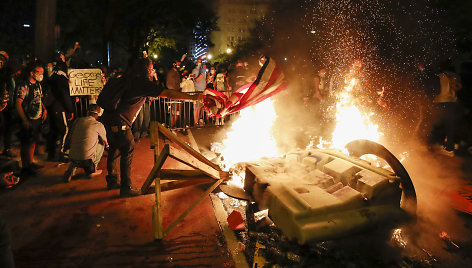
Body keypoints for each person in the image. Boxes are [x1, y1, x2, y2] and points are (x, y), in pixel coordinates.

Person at [100, 57, 202, 197]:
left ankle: (112, 181)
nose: (152, 71)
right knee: (127, 151)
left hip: (108, 120)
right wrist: (195, 98)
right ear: (147, 70)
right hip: (121, 123)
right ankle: (126, 188)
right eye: (151, 68)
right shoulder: (141, 83)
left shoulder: (123, 79)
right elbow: (169, 94)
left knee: (114, 149)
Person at [15, 61, 47, 176]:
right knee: (26, 143)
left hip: (36, 118)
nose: (41, 75)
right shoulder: (24, 86)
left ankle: (30, 163)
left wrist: (44, 109)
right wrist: (24, 119)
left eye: (43, 72)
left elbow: (40, 98)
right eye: (39, 72)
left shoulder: (38, 84)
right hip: (28, 118)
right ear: (32, 73)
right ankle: (25, 167)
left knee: (32, 142)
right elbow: (18, 103)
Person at [63, 104, 108, 182]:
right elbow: (106, 142)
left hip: (72, 156)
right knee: (101, 144)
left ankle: (70, 171)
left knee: (78, 148)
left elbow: (69, 136)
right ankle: (92, 169)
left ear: (87, 112)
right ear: (98, 114)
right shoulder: (98, 125)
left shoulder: (77, 121)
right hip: (87, 160)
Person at [45, 60, 75, 161]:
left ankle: (51, 154)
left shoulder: (52, 78)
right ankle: (61, 154)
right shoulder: (62, 79)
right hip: (60, 108)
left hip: (52, 108)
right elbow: (64, 96)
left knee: (53, 131)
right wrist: (70, 109)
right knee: (64, 130)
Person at [430, 71, 463, 156]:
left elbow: (435, 90)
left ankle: (436, 145)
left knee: (438, 124)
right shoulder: (455, 75)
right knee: (450, 125)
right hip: (451, 102)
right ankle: (449, 147)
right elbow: (459, 87)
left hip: (439, 102)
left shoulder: (439, 76)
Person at [0, 51, 16, 158]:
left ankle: (7, 148)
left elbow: (11, 88)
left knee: (8, 127)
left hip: (7, 105)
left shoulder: (8, 73)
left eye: (3, 59)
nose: (1, 61)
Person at [191, 57, 206, 126]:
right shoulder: (194, 70)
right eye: (199, 61)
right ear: (196, 63)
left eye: (201, 61)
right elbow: (196, 80)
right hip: (197, 91)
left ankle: (199, 121)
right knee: (196, 108)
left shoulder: (202, 70)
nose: (200, 63)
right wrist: (201, 75)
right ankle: (195, 122)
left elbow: (205, 66)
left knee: (200, 107)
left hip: (202, 91)